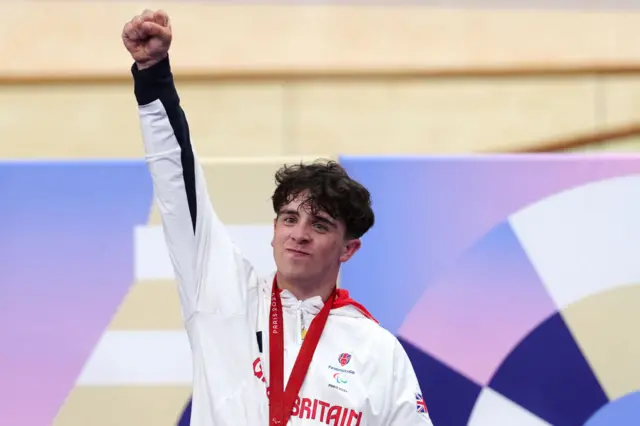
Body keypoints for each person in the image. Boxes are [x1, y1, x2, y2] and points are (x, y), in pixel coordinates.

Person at [122, 9, 434, 426]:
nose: (299, 234)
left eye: (319, 225)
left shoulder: (377, 351)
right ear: (273, 231)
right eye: (289, 219)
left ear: (349, 249)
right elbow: (177, 183)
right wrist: (152, 73)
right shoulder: (223, 295)